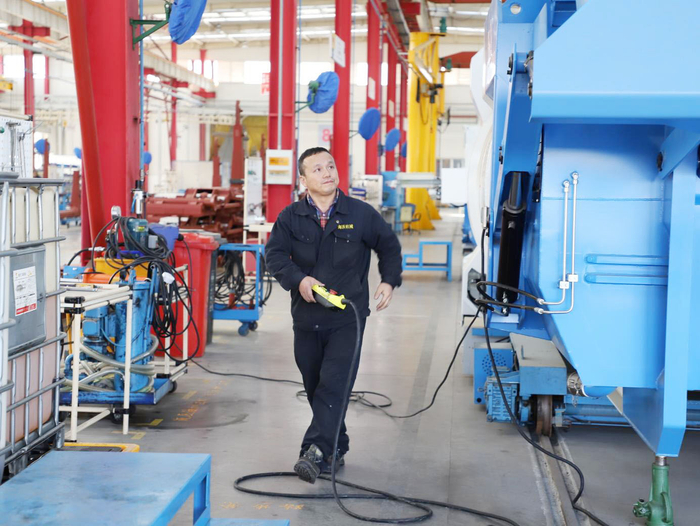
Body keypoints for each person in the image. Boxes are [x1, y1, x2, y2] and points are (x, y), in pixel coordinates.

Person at [265, 146, 402, 484]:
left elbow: (388, 246)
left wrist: (389, 279)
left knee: (334, 383)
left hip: (348, 316)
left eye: (330, 166)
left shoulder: (361, 213)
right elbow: (275, 256)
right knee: (315, 385)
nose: (327, 173)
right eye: (317, 169)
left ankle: (313, 451)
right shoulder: (290, 217)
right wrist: (299, 280)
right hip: (306, 316)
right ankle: (337, 444)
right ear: (303, 180)